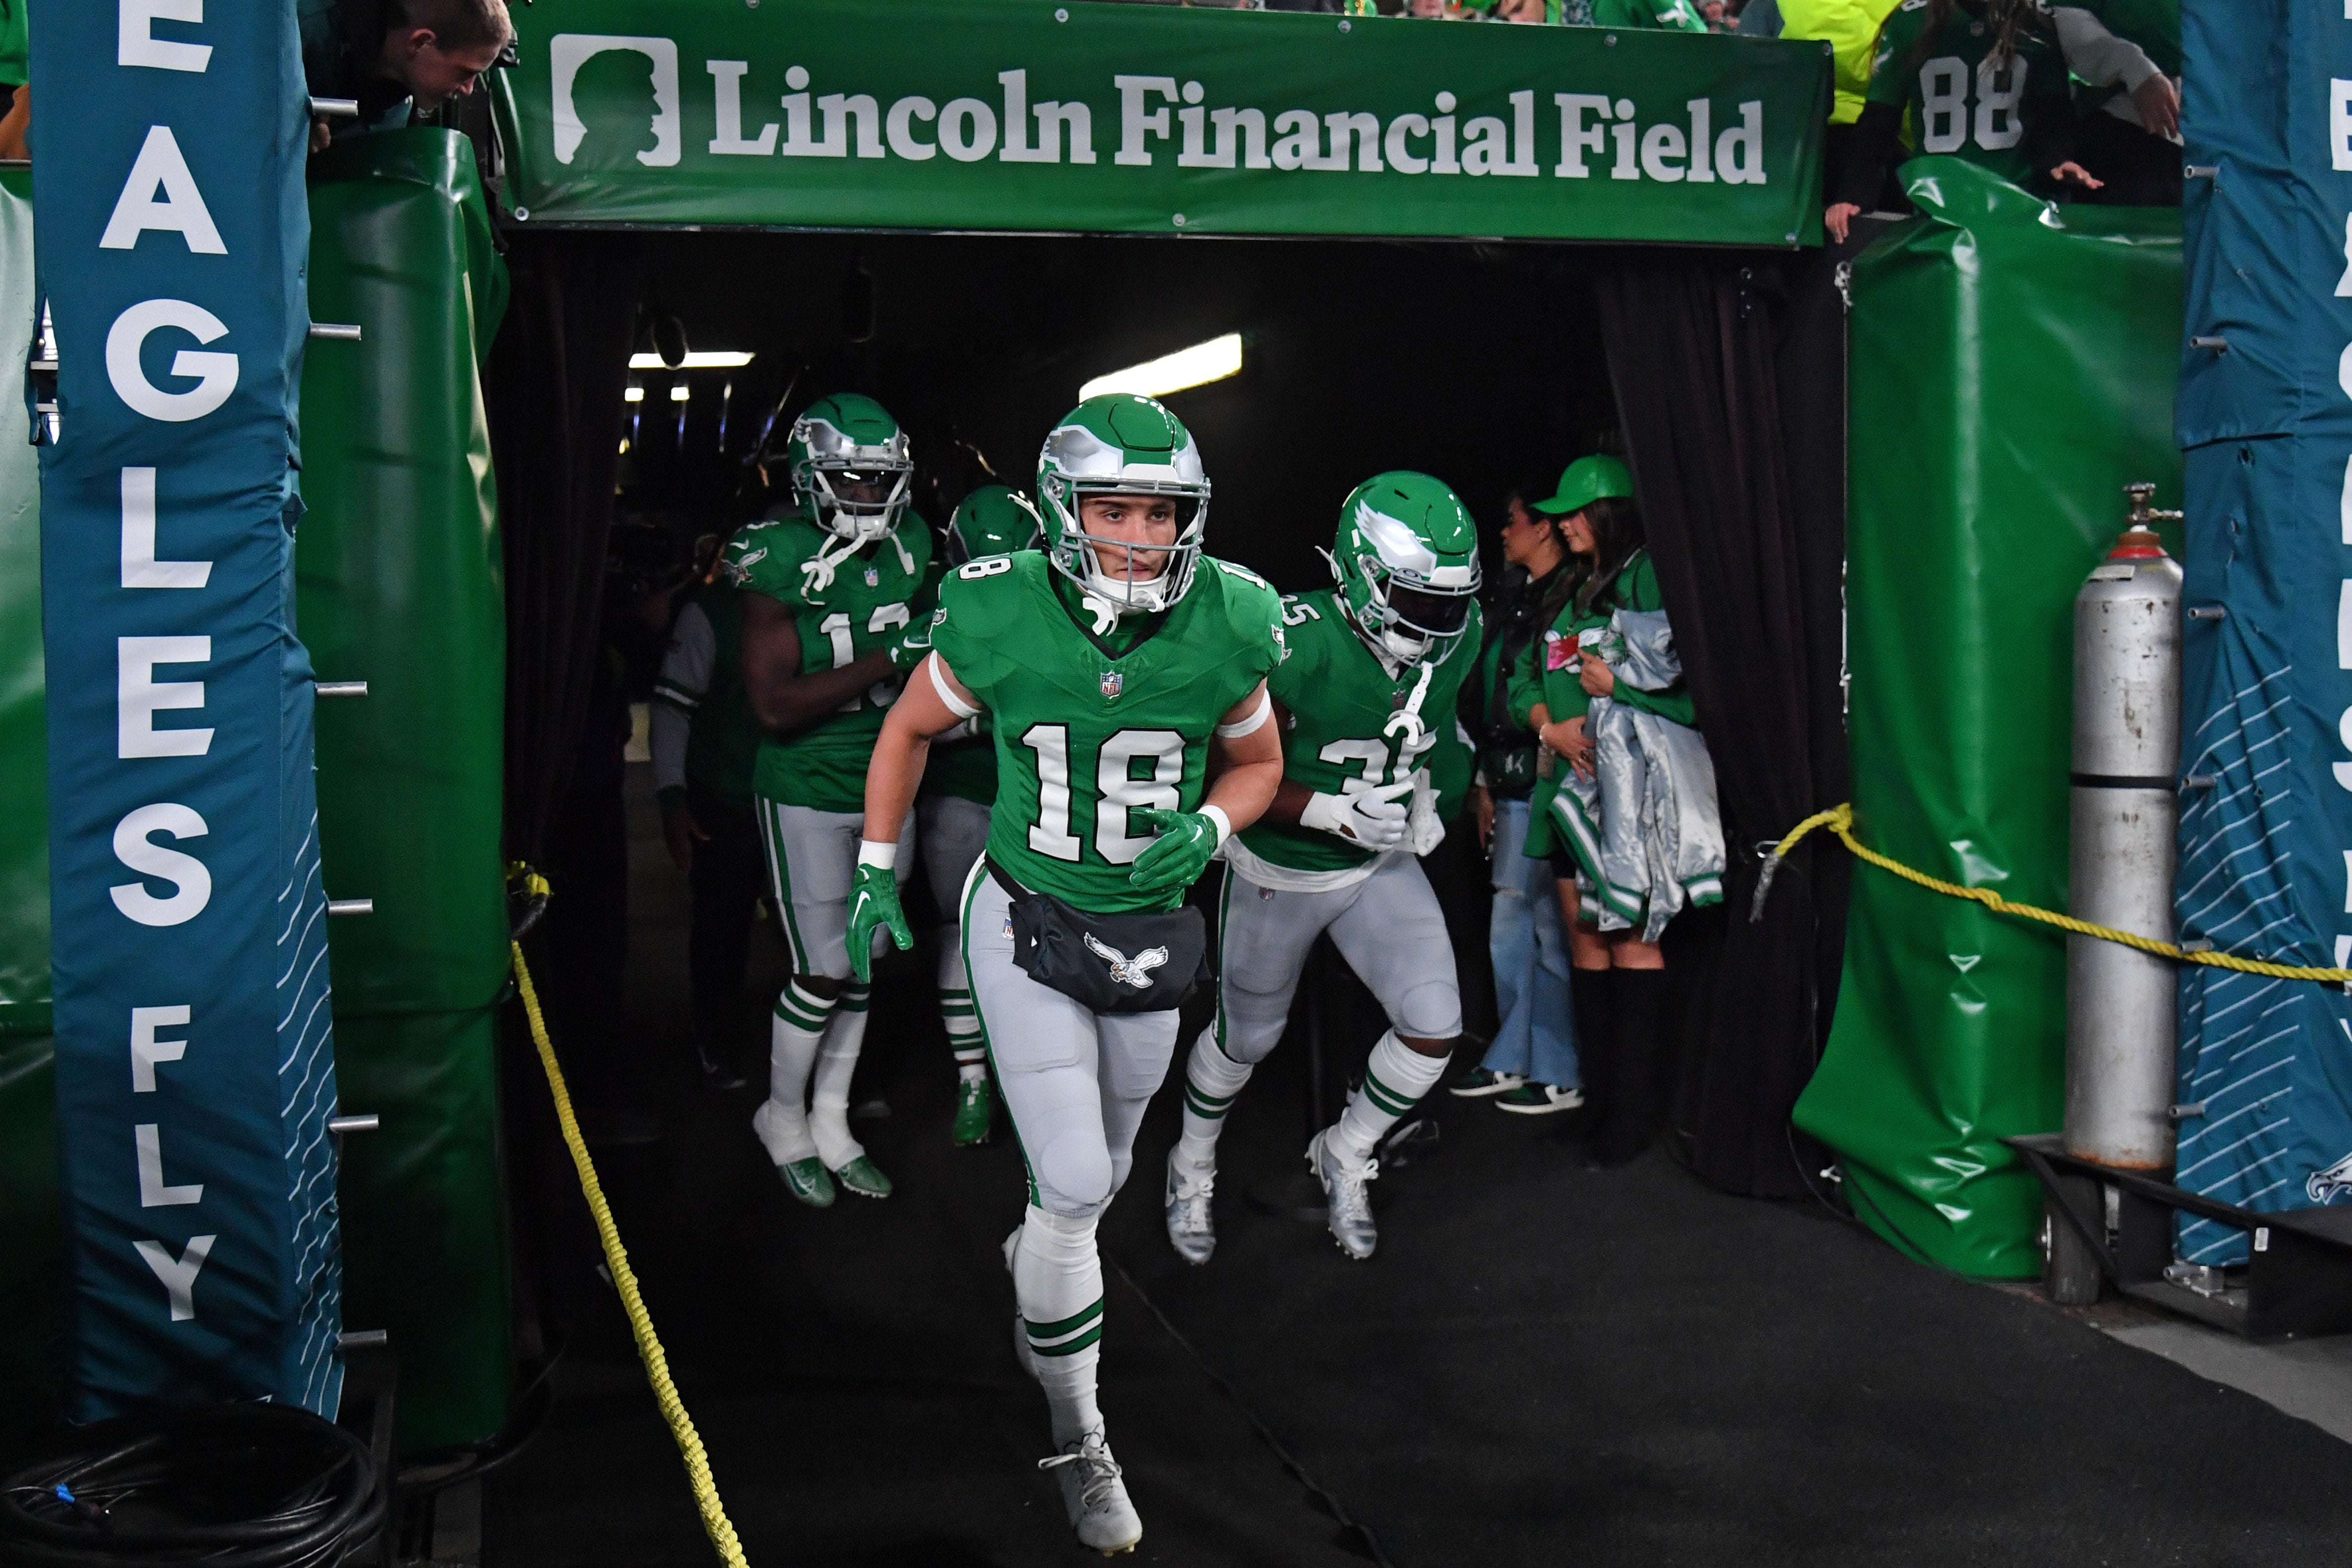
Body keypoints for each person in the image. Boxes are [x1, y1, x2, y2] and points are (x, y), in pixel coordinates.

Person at [848, 393, 1286, 1555]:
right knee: (1083, 1182)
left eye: (1160, 512)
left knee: (1106, 1166)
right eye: (1115, 510)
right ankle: (1078, 1434)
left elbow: (1258, 758)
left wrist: (1214, 822)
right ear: (1059, 511)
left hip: (1148, 929)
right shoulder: (998, 610)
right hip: (1029, 911)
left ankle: (1047, 1251)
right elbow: (902, 730)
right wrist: (874, 869)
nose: (1142, 537)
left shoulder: (1231, 615)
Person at [1163, 473, 1481, 1266]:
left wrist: (1429, 800)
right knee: (1247, 1041)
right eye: (1417, 599)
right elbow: (1207, 766)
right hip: (1284, 864)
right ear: (1360, 572)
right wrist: (1324, 811)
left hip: (1377, 862)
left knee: (1435, 1022)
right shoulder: (1289, 637)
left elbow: (1434, 734)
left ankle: (1345, 1150)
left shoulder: (1459, 632)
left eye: (1448, 602)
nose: (1437, 622)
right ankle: (1190, 1163)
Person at [724, 393, 935, 1208]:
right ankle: (780, 1117)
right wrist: (891, 654)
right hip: (805, 786)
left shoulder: (912, 542)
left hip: (890, 776)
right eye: (848, 479)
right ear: (810, 476)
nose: (865, 497)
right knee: (821, 968)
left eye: (879, 479)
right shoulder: (774, 554)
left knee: (867, 961)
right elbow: (773, 706)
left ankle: (833, 1118)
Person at [1514, 456, 1723, 1167]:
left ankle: (1632, 1119)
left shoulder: (1649, 576)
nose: (1562, 521)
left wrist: (1622, 690)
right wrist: (1550, 725)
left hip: (1627, 804)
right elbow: (1520, 679)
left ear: (1612, 513)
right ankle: (1599, 1104)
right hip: (1565, 797)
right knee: (1583, 942)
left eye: (1575, 510)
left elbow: (1698, 695)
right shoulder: (1571, 588)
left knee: (1633, 940)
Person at [918, 484, 1045, 1148]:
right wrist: (984, 715)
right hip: (964, 796)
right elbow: (909, 725)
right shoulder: (935, 617)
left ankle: (1035, 1077)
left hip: (1043, 800)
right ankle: (974, 1076)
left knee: (1052, 938)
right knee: (962, 935)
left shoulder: (1066, 609)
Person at [1453, 484, 1582, 1114]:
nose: (1503, 534)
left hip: (1557, 779)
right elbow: (1489, 695)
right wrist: (1482, 780)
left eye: (1512, 523)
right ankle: (1514, 1052)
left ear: (1546, 529)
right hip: (1507, 777)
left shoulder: (1577, 595)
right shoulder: (1508, 599)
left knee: (1555, 930)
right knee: (1510, 922)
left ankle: (1560, 1065)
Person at [1825, 0, 2098, 244]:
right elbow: (1879, 122)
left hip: (2020, 204)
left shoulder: (2036, 23)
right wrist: (1854, 195)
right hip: (1937, 208)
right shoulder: (1911, 20)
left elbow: (2053, 114)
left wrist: (2059, 161)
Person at [651, 550, 765, 1092]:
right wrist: (672, 796)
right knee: (723, 924)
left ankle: (830, 1062)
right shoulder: (713, 612)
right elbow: (673, 708)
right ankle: (714, 1039)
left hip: (807, 793)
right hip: (729, 792)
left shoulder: (832, 597)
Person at [300, 0, 512, 150]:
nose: (469, 90)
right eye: (466, 73)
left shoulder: (398, 100)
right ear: (420, 44)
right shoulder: (303, 28)